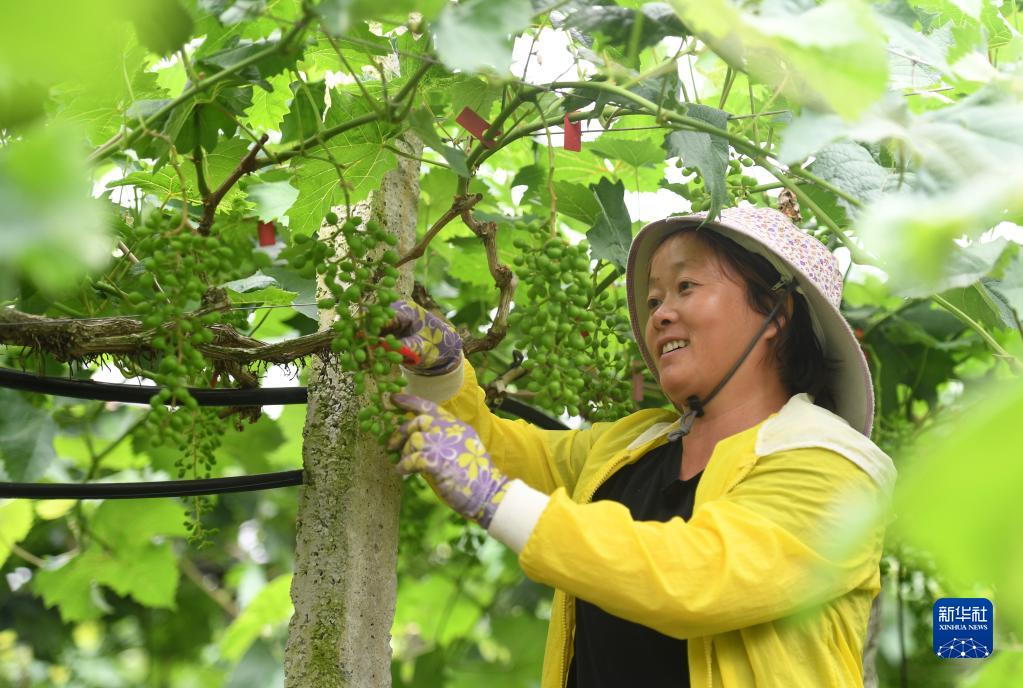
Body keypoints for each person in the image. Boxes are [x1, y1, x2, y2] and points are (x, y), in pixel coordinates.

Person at [385, 205, 897, 688]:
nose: (660, 314)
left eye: (685, 287)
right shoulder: (632, 444)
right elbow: (501, 454)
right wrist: (440, 373)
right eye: (654, 299)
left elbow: (696, 577)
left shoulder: (835, 471)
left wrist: (495, 497)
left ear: (777, 312)